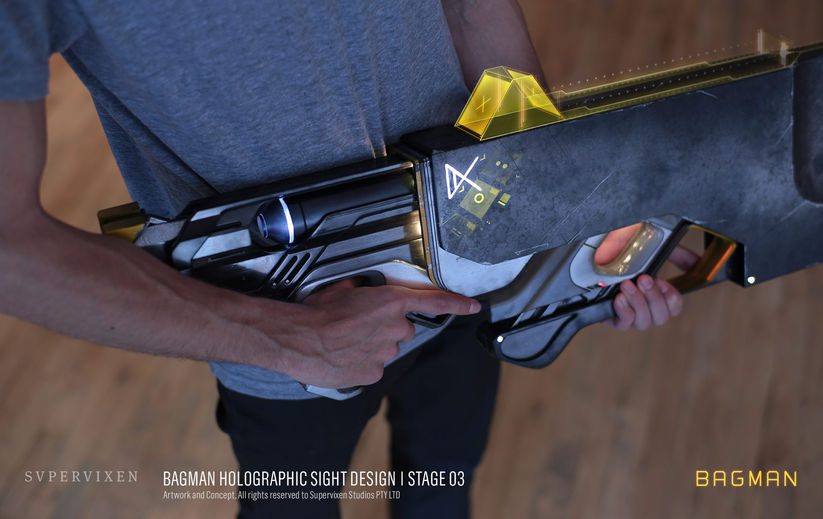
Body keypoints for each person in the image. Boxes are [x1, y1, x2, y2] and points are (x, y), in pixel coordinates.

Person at [0, 1, 694, 517]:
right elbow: (9, 247)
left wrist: (561, 214)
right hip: (288, 346)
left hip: (477, 275)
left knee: (442, 482)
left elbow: (471, 7)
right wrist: (284, 337)